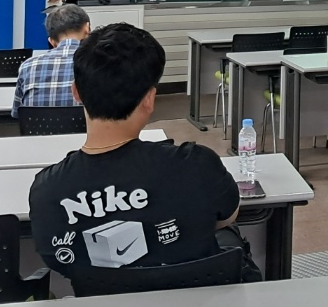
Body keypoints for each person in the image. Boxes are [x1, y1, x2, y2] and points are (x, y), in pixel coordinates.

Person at [29, 23, 244, 283]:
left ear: (76, 92)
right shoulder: (198, 165)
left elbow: (60, 262)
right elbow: (228, 215)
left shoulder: (47, 191)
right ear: (149, 99)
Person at [11, 4, 91, 118]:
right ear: (87, 28)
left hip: (37, 134)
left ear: (52, 41)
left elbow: (17, 113)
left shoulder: (28, 66)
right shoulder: (101, 63)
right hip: (86, 134)